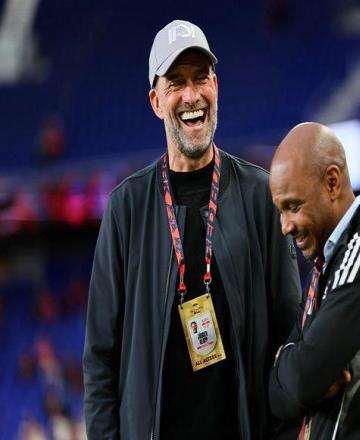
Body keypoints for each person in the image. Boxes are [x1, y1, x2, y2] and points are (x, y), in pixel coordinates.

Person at [83, 20, 301, 440]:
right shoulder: (127, 208)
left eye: (200, 78)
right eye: (176, 83)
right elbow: (100, 359)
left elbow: (288, 336)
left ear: (215, 86)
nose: (191, 95)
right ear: (156, 101)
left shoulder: (259, 195)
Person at [268, 122, 360, 440]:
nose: (285, 226)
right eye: (280, 211)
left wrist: (292, 369)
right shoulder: (323, 266)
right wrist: (293, 367)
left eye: (293, 206)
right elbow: (279, 396)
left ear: (332, 182)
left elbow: (302, 382)